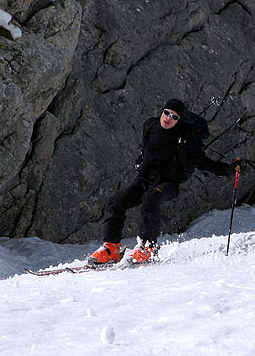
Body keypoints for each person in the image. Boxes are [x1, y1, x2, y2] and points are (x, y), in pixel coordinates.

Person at [89, 98, 237, 264]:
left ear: (179, 120)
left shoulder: (185, 138)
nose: (168, 118)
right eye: (167, 113)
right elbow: (145, 150)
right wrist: (140, 162)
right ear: (162, 112)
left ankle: (148, 247)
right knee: (116, 202)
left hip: (169, 183)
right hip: (145, 179)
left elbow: (201, 162)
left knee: (150, 199)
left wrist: (228, 169)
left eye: (174, 117)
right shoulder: (150, 126)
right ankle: (111, 248)